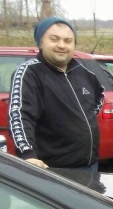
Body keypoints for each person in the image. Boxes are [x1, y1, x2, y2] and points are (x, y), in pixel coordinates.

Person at [9, 17, 104, 171]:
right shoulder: (30, 73)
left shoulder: (84, 73)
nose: (61, 45)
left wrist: (81, 118)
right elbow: (20, 115)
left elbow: (99, 96)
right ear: (40, 43)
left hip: (89, 165)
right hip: (52, 170)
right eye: (54, 39)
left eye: (68, 41)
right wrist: (27, 153)